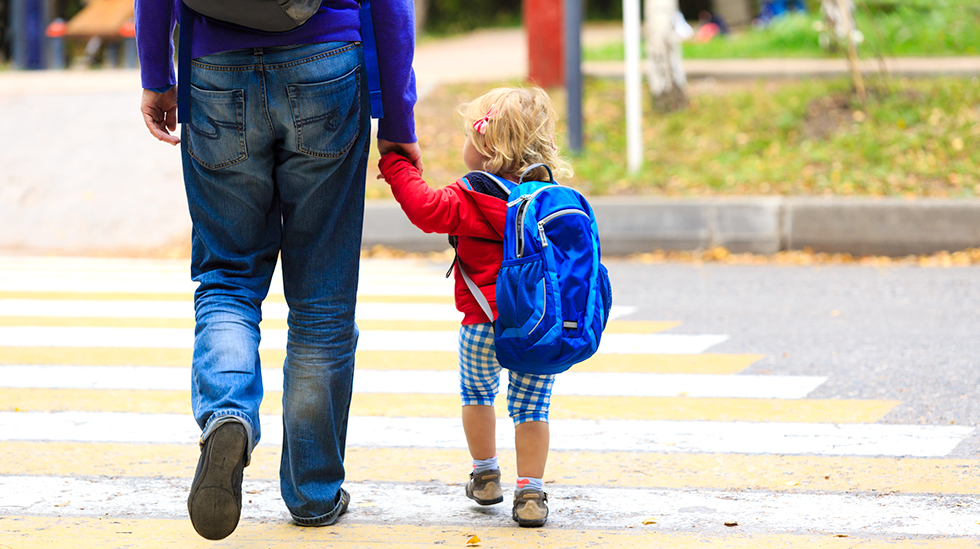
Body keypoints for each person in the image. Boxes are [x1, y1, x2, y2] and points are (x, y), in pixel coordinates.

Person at [134, 0, 421, 540]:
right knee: (322, 297)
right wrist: (396, 116)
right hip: (327, 64)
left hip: (215, 70)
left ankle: (227, 414)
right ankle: (313, 494)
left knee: (227, 276)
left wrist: (157, 72)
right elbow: (390, 6)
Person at [377, 87, 572, 528]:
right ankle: (531, 492)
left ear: (485, 146)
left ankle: (485, 473)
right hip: (539, 327)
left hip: (482, 324)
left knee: (477, 395)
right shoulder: (550, 200)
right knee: (533, 409)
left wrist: (395, 164)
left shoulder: (474, 195)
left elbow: (425, 209)